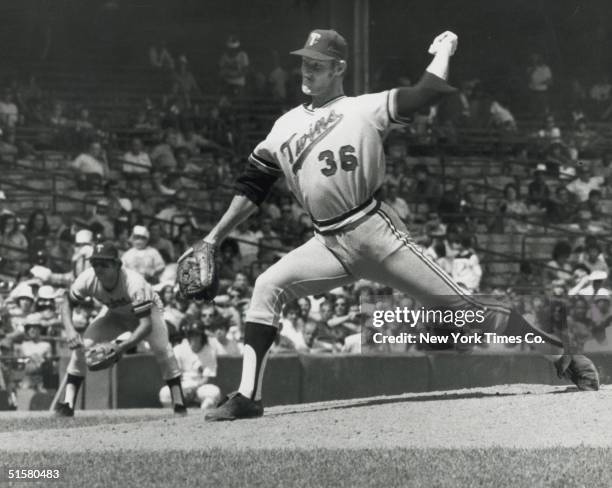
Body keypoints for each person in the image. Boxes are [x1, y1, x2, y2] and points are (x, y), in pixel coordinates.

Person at [187, 29, 597, 421]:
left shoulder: (364, 107)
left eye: (318, 64)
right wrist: (213, 236)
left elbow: (427, 93)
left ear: (338, 68)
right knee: (266, 286)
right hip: (327, 243)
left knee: (468, 313)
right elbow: (252, 186)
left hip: (374, 231)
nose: (307, 71)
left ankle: (559, 354)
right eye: (305, 63)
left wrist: (443, 51)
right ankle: (247, 397)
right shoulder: (282, 127)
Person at [54, 242, 186, 416]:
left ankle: (179, 403)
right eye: (95, 263)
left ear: (117, 264)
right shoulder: (87, 278)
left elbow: (145, 326)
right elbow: (67, 303)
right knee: (83, 346)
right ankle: (68, 404)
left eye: (104, 264)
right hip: (114, 314)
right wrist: (70, 331)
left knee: (162, 349)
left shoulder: (134, 282)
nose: (98, 268)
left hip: (148, 314)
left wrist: (120, 347)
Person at [159, 319, 221, 410]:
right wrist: (181, 390)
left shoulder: (210, 351)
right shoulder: (179, 349)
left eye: (197, 334)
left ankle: (200, 418)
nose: (194, 337)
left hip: (200, 386)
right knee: (164, 392)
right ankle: (171, 419)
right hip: (182, 385)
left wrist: (194, 389)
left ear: (202, 336)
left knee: (214, 392)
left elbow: (207, 378)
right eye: (191, 334)